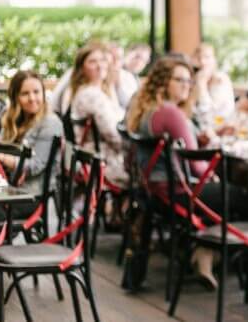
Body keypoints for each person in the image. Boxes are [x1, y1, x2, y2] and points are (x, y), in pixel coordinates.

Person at [127, 55, 221, 288]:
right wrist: (215, 171)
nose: (186, 86)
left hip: (154, 194)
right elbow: (196, 166)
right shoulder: (171, 113)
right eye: (179, 80)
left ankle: (201, 249)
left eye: (189, 81)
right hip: (179, 193)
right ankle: (207, 250)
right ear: (163, 82)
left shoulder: (146, 110)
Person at [0, 70, 63, 217]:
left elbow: (34, 166)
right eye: (25, 93)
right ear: (16, 97)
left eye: (36, 92)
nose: (32, 98)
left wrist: (0, 154)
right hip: (9, 189)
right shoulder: (12, 118)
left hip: (31, 195)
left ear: (43, 93)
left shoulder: (50, 123)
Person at [66, 42, 127, 187]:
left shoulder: (97, 91)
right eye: (93, 61)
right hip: (103, 163)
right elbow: (112, 134)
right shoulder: (91, 95)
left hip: (96, 160)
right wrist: (134, 149)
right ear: (82, 68)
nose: (100, 65)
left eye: (102, 60)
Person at [192, 43, 236, 128]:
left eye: (207, 57)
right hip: (204, 127)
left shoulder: (221, 79)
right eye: (198, 58)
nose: (202, 62)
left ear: (214, 60)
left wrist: (201, 84)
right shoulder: (195, 79)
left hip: (222, 127)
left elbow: (208, 112)